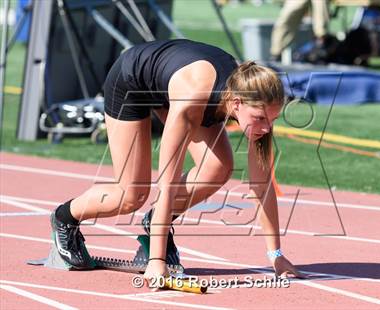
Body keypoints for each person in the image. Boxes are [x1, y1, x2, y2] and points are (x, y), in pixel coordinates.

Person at [50, 39, 304, 286]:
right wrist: (156, 260)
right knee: (131, 195)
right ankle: (65, 217)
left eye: (273, 119)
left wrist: (276, 256)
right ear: (236, 103)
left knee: (217, 169)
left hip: (176, 79)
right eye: (259, 118)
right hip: (131, 80)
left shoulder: (252, 106)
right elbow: (167, 184)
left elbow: (262, 185)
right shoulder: (191, 103)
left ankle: (154, 223)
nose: (267, 127)